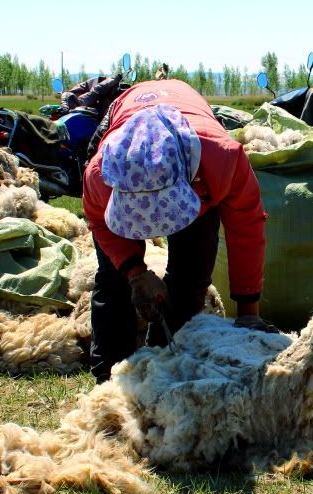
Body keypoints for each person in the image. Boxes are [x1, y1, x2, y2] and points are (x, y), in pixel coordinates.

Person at [82, 78, 272, 383]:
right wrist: (135, 273)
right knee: (113, 277)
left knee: (191, 277)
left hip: (197, 158)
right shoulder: (100, 174)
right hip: (123, 115)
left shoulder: (221, 160)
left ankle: (166, 364)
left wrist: (248, 312)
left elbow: (246, 230)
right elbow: (101, 223)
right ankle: (110, 378)